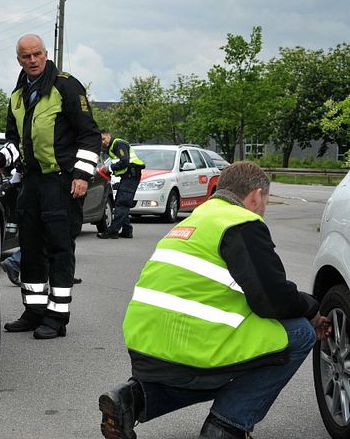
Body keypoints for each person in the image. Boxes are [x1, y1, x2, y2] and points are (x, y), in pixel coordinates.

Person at [99, 161, 331, 439]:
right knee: (299, 334)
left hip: (145, 349)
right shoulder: (241, 222)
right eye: (265, 202)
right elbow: (274, 300)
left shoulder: (195, 220)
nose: (263, 209)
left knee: (206, 371)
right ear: (256, 195)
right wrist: (311, 310)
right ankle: (227, 426)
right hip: (190, 350)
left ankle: (130, 399)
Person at [0, 33, 101, 339]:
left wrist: (81, 176)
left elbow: (89, 136)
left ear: (45, 54)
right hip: (31, 182)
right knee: (31, 248)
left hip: (61, 182)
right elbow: (15, 142)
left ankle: (57, 317)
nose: (32, 60)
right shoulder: (18, 95)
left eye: (36, 54)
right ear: (18, 59)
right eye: (25, 56)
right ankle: (34, 311)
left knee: (60, 248)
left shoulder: (66, 86)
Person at [97, 131, 144, 239]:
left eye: (103, 139)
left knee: (121, 204)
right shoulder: (111, 147)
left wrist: (109, 168)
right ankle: (127, 230)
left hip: (131, 175)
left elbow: (124, 161)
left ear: (109, 135)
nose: (102, 142)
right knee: (121, 202)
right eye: (100, 140)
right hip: (128, 176)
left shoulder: (118, 144)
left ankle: (112, 231)